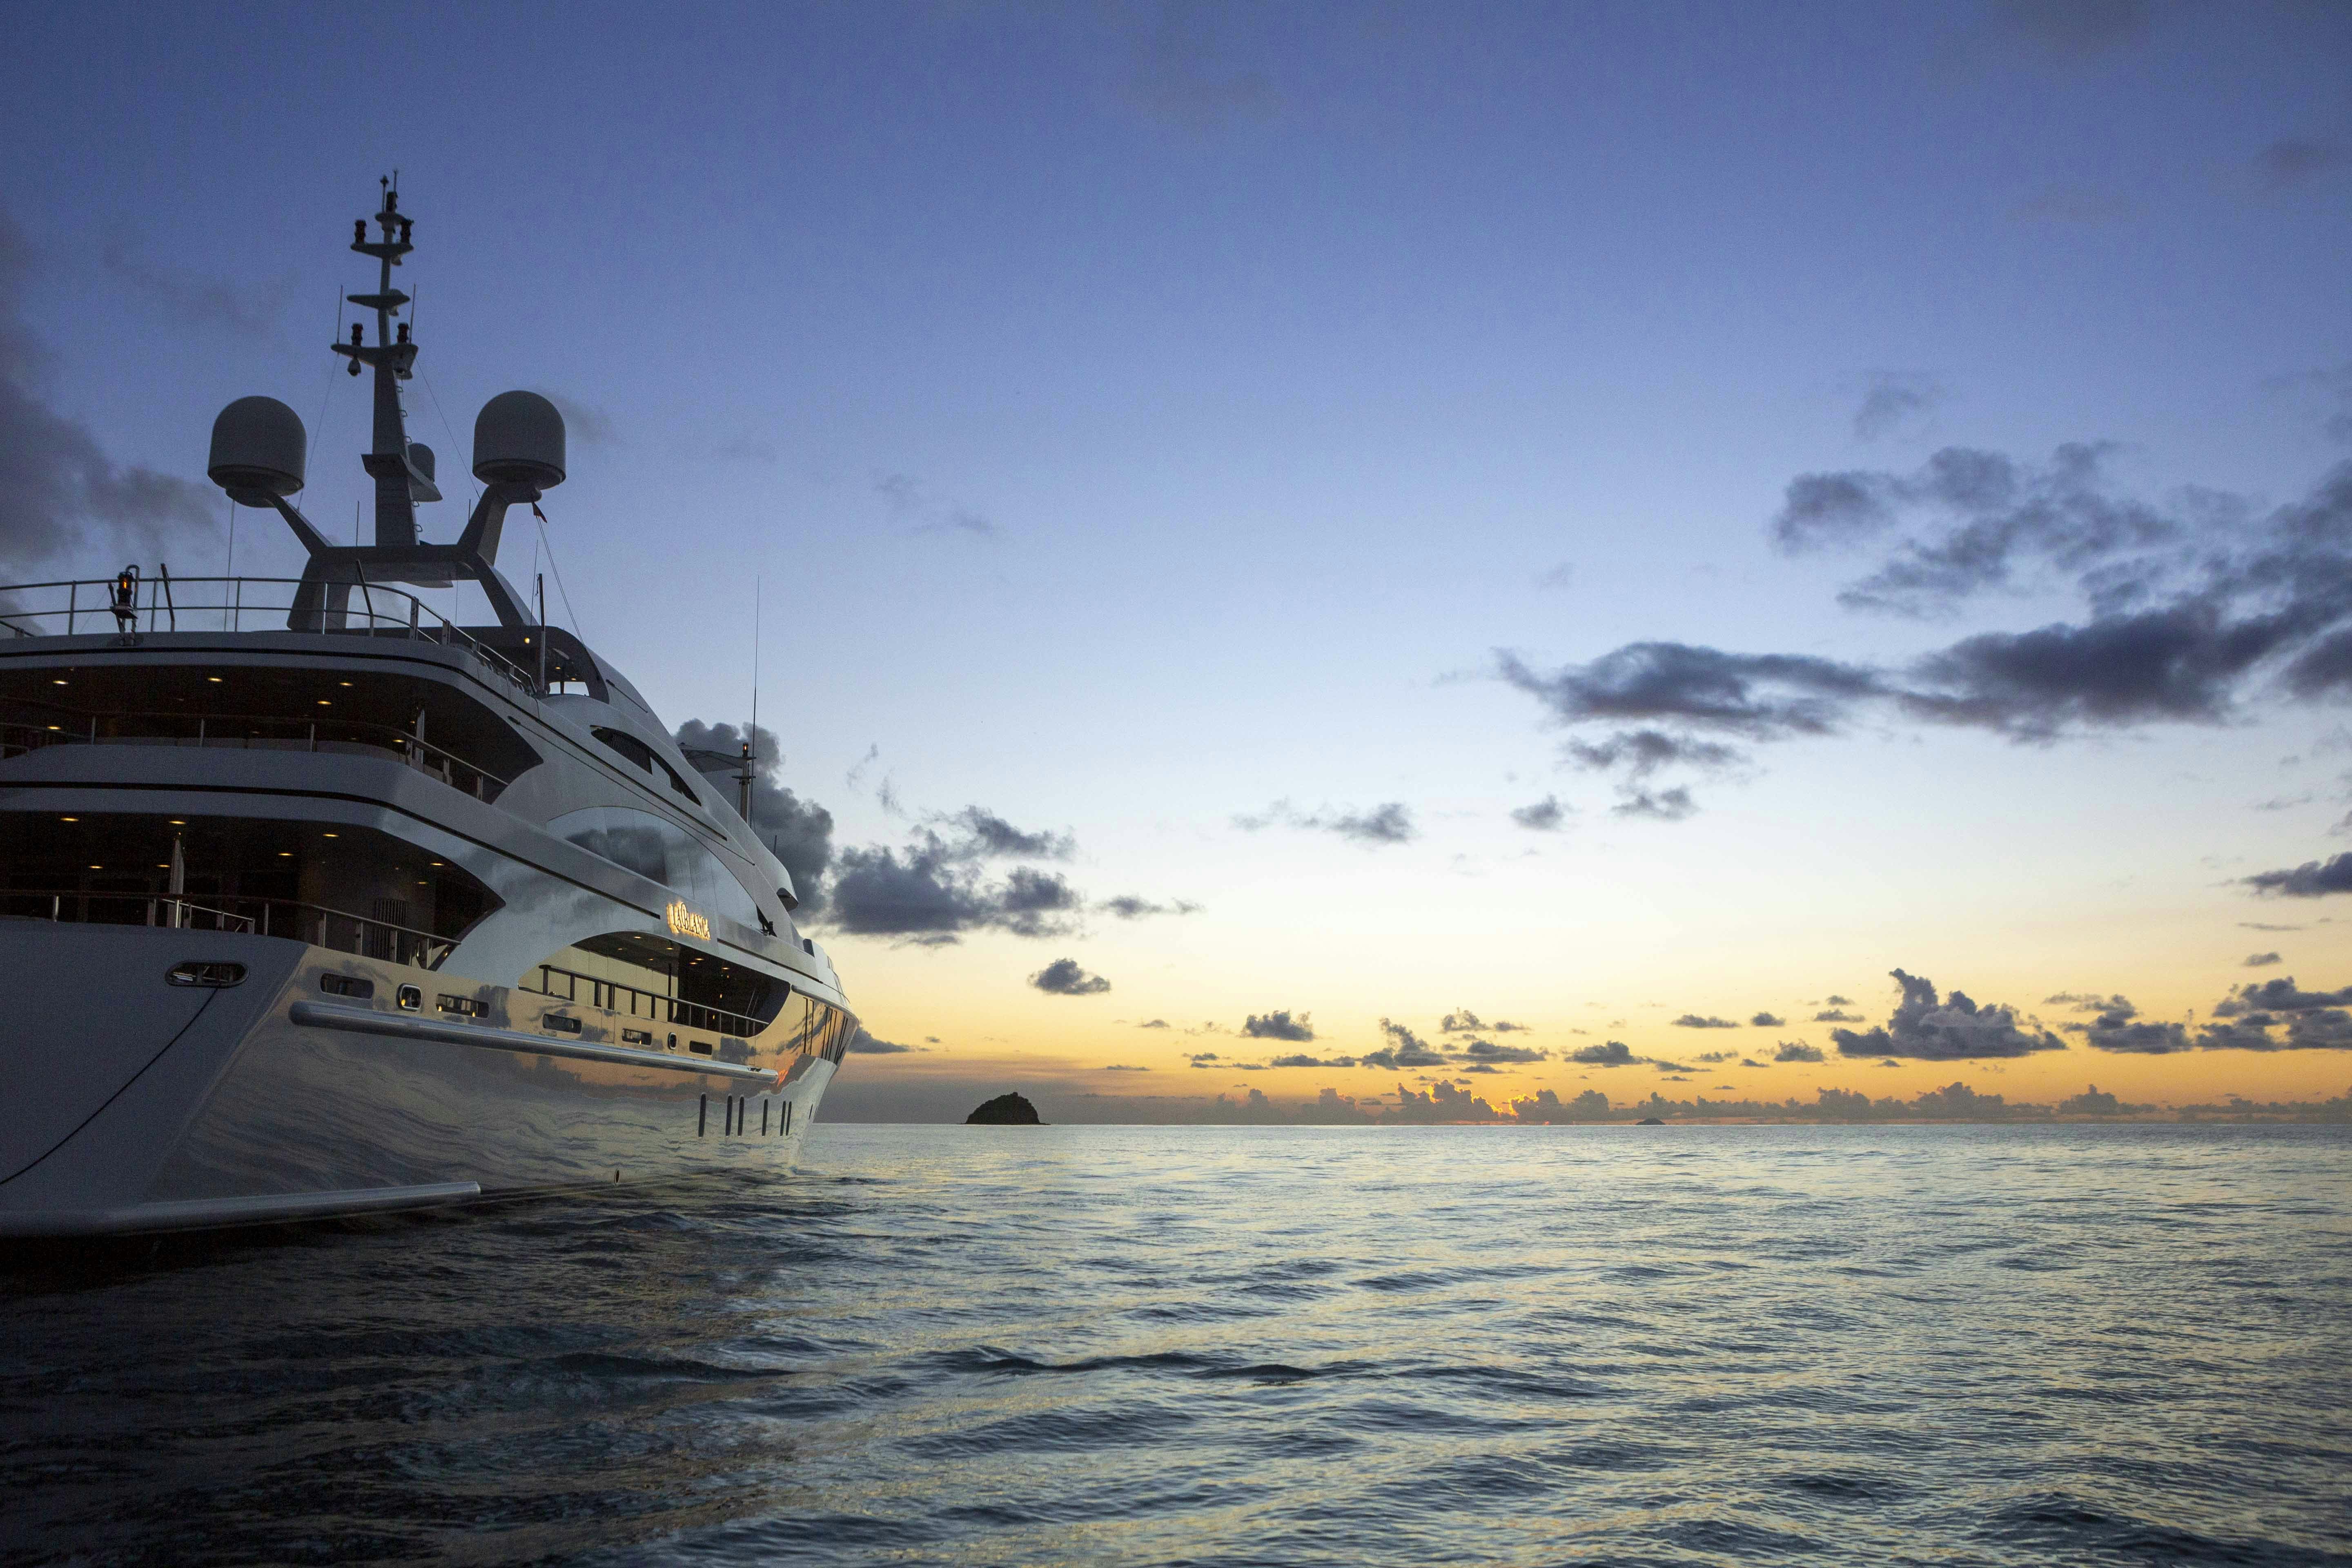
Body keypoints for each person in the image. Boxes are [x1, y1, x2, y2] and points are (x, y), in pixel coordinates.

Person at [110, 565, 140, 632]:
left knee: (125, 587)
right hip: (124, 604)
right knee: (125, 587)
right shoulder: (125, 588)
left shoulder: (124, 588)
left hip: (125, 603)